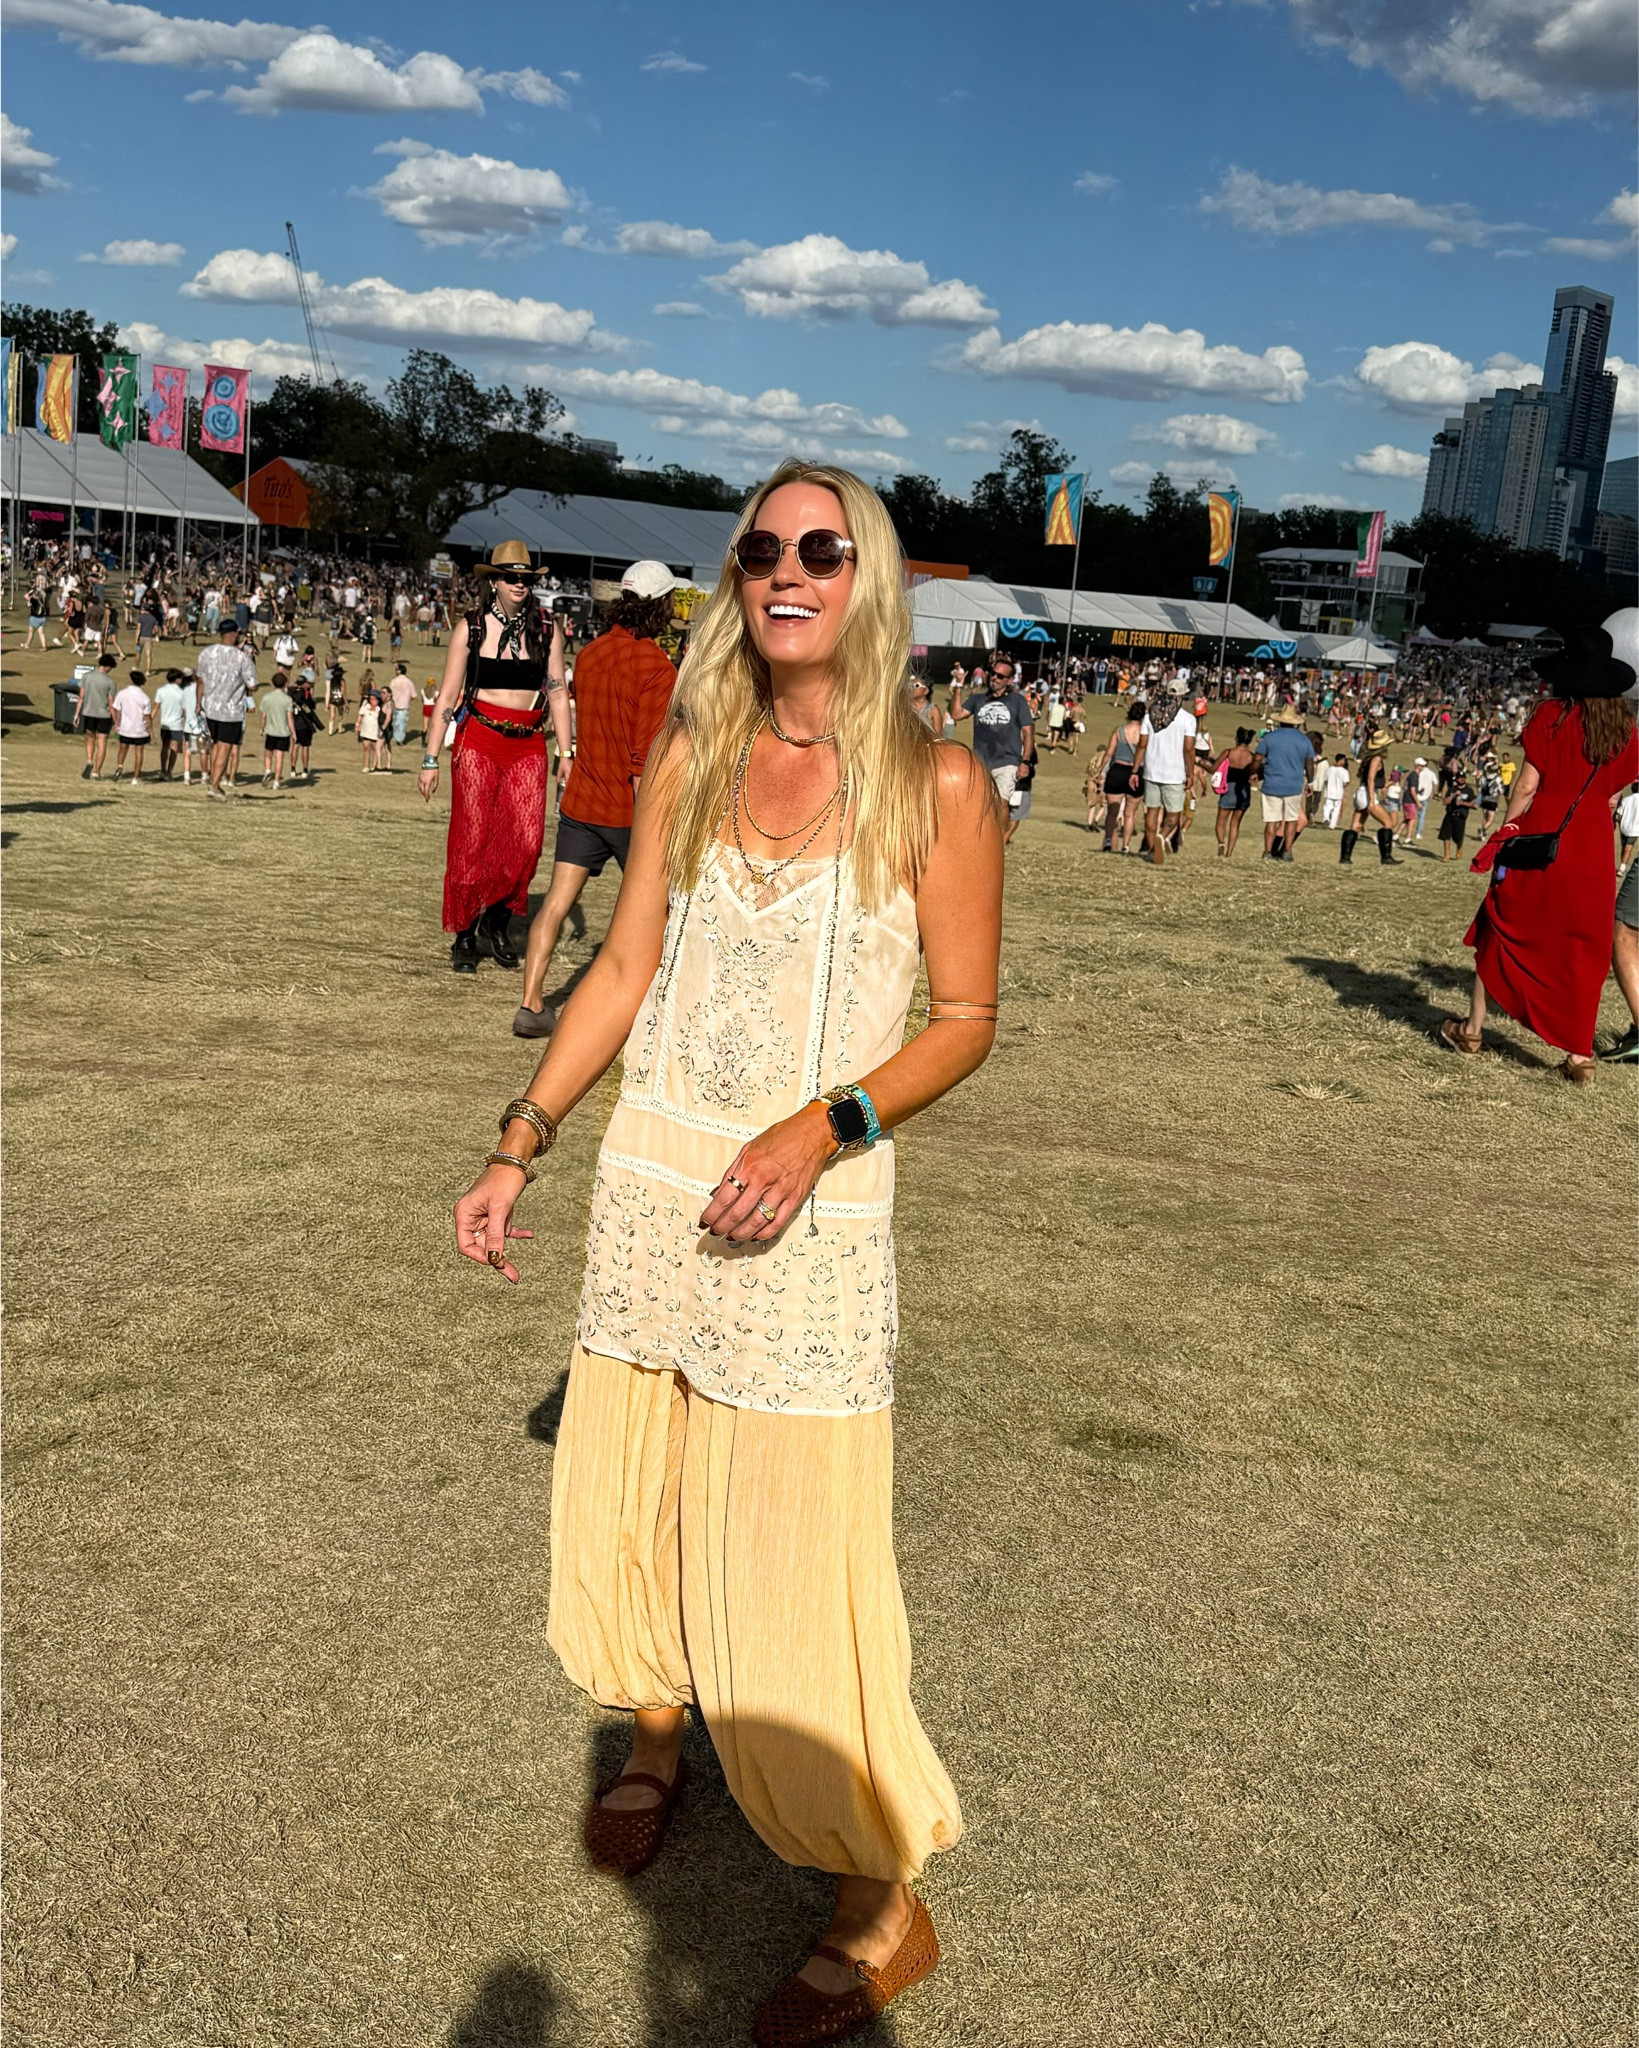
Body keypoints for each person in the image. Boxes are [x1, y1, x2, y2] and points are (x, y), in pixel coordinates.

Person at [451, 459, 1000, 2045]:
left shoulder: (937, 784)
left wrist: (819, 1127)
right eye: (760, 547)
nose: (785, 570)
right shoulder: (695, 744)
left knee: (798, 1547)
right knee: (648, 1475)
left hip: (804, 1210)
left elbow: (963, 1022)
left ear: (868, 577)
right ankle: (652, 1732)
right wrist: (520, 1136)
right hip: (651, 1179)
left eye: (821, 550)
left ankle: (876, 1905)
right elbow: (625, 962)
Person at [1443, 618, 1639, 1082]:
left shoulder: (1551, 717)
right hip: (1593, 849)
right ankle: (1579, 1055)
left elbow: (1527, 787)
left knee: (1501, 927)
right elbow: (1616, 792)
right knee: (1585, 950)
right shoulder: (1627, 731)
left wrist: (1507, 828)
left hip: (1542, 839)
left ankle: (1472, 1028)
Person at [515, 563, 677, 1035]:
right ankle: (655, 1011)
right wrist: (654, 829)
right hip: (627, 811)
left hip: (582, 803)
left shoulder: (589, 655)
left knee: (555, 904)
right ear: (662, 605)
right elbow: (642, 763)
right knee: (657, 914)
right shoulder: (657, 668)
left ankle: (531, 1003)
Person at [419, 542, 572, 976]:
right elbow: (448, 696)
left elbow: (558, 689)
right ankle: (465, 934)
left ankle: (498, 921)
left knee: (525, 842)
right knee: (472, 840)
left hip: (528, 745)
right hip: (479, 741)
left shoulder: (547, 628)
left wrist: (567, 750)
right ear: (494, 581)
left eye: (526, 579)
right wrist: (430, 758)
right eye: (511, 577)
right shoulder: (470, 628)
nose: (519, 585)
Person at [951, 655, 1034, 844]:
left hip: (1007, 761)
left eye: (999, 676)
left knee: (1002, 802)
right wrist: (958, 686)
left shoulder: (1017, 702)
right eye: (992, 674)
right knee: (978, 805)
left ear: (1009, 681)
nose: (994, 678)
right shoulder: (978, 699)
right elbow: (956, 714)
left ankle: (998, 842)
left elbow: (1029, 733)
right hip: (981, 761)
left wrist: (1025, 761)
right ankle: (977, 840)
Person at [198, 620, 258, 802]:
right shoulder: (242, 658)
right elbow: (252, 685)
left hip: (210, 706)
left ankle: (212, 779)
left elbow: (200, 680)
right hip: (231, 710)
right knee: (225, 747)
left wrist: (197, 702)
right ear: (233, 635)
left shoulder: (206, 653)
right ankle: (214, 786)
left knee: (216, 744)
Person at [1138, 683, 1196, 865]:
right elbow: (1188, 749)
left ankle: (1150, 849)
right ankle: (1161, 838)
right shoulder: (1188, 719)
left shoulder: (1150, 716)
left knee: (1151, 812)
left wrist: (1135, 769)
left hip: (1152, 770)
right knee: (1173, 814)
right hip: (1175, 772)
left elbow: (1142, 744)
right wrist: (1191, 773)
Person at [1255, 708, 1315, 862]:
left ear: (1280, 721)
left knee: (1272, 820)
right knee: (1291, 820)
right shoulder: (1304, 740)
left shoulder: (1270, 737)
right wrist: (1311, 781)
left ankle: (1268, 851)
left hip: (1272, 783)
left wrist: (1253, 772)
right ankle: (1287, 851)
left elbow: (1257, 758)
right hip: (1293, 785)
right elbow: (1309, 762)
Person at [1097, 701, 1144, 851]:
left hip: (1118, 770)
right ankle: (1126, 845)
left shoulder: (1119, 731)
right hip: (1136, 772)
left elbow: (1109, 753)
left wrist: (1099, 770)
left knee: (1112, 811)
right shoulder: (1145, 733)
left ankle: (1109, 839)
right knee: (1130, 813)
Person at [73, 651, 119, 780]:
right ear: (108, 667)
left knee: (90, 738)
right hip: (103, 715)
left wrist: (76, 715)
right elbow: (111, 703)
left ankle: (89, 760)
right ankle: (96, 771)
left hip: (88, 712)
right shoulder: (110, 682)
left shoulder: (87, 677)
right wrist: (116, 721)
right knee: (102, 742)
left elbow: (81, 697)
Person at [1213, 727, 1257, 857]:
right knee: (1235, 824)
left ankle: (1221, 843)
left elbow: (1213, 768)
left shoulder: (1228, 753)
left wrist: (1200, 762)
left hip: (1228, 789)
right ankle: (1229, 853)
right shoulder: (1251, 757)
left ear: (1236, 738)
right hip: (1243, 790)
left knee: (1221, 821)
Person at [110, 670, 153, 784]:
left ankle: (120, 766)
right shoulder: (145, 697)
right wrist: (150, 728)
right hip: (139, 729)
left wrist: (117, 722)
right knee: (139, 752)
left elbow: (115, 709)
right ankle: (135, 777)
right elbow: (147, 716)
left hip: (125, 728)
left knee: (123, 749)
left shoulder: (122, 693)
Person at [259, 669, 296, 790]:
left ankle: (268, 770)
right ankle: (276, 782)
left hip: (270, 731)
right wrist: (294, 733)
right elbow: (290, 718)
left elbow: (263, 716)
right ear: (285, 683)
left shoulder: (267, 698)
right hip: (283, 732)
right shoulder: (287, 700)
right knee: (279, 757)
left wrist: (262, 728)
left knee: (268, 754)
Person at [153, 666, 190, 782]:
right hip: (177, 725)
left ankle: (163, 770)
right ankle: (169, 771)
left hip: (165, 724)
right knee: (174, 748)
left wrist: (149, 720)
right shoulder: (182, 693)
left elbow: (155, 708)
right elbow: (185, 712)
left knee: (164, 747)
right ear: (177, 679)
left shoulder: (161, 690)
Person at [1320, 753, 1351, 830]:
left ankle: (1325, 819)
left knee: (1327, 807)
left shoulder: (1329, 769)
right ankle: (1332, 825)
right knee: (1336, 809)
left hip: (1329, 791)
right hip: (1339, 792)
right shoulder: (1344, 771)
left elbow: (1325, 780)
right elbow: (1345, 782)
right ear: (1340, 760)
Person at [1617, 782, 1639, 874]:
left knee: (1625, 847)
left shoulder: (1626, 800)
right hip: (1635, 828)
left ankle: (1622, 865)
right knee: (1628, 848)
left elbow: (1619, 814)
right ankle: (1622, 867)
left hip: (1624, 827)